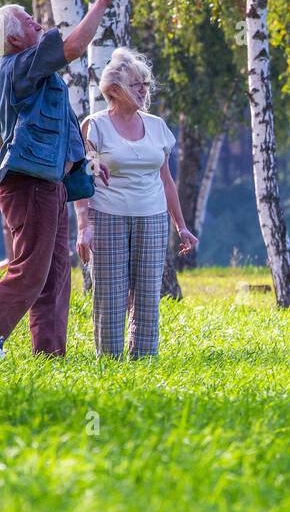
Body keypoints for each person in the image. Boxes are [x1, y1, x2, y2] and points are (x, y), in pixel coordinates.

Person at [0, 0, 128, 357]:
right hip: (28, 183)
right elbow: (73, 47)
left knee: (54, 276)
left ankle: (50, 356)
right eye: (28, 20)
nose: (37, 23)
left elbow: (63, 131)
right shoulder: (19, 65)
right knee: (30, 271)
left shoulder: (41, 77)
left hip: (49, 183)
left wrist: (89, 161)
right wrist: (103, 2)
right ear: (13, 37)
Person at [75, 48, 198, 360]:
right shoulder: (95, 126)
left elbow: (167, 180)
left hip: (152, 218)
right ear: (114, 90)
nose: (144, 90)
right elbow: (84, 176)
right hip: (107, 217)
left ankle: (143, 359)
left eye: (146, 84)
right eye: (136, 85)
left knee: (147, 296)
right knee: (110, 295)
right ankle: (110, 361)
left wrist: (181, 226)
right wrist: (83, 227)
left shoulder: (157, 126)